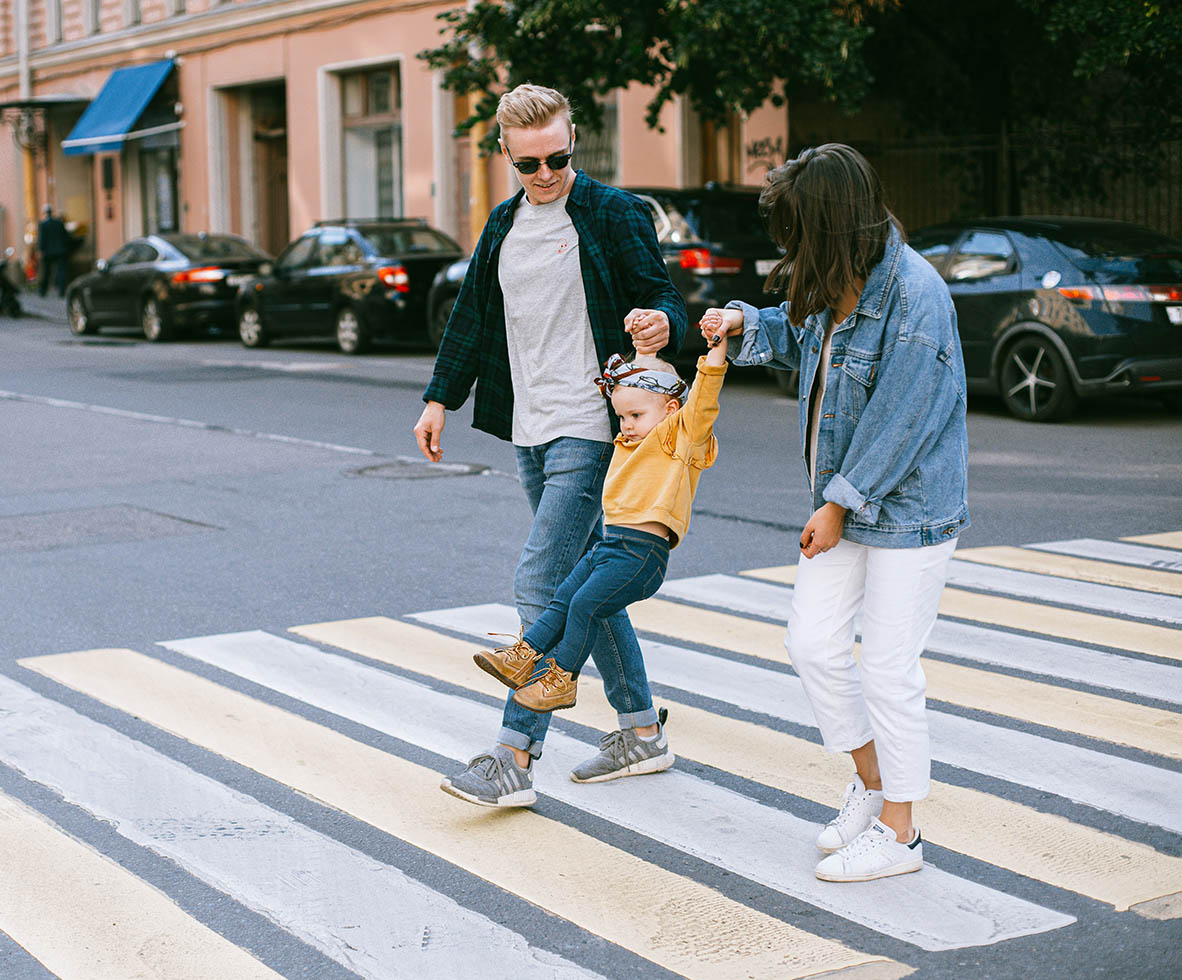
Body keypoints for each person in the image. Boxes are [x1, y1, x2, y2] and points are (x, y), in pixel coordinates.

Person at [700, 143, 969, 883]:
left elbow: (904, 419)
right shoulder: (831, 276)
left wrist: (839, 504)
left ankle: (902, 834)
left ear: (829, 223)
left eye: (797, 231)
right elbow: (795, 338)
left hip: (908, 510)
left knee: (887, 668)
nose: (789, 247)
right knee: (812, 645)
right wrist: (739, 324)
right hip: (843, 503)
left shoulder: (915, 299)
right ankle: (873, 782)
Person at [414, 83, 687, 807]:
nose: (546, 174)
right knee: (589, 589)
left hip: (593, 424)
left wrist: (660, 323)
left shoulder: (611, 212)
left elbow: (663, 296)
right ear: (505, 152)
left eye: (558, 158)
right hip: (530, 426)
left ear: (574, 145)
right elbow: (472, 316)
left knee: (541, 584)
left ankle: (513, 757)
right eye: (529, 162)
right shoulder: (503, 225)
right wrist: (441, 398)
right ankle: (641, 731)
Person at [477, 340, 727, 718]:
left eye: (635, 416)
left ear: (672, 410)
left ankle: (562, 680)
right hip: (611, 548)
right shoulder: (629, 440)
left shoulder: (679, 440)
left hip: (641, 556)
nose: (626, 426)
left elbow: (704, 398)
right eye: (621, 417)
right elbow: (643, 389)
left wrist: (716, 350)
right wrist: (640, 361)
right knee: (564, 597)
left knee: (584, 607)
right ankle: (523, 655)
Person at [36, 204, 71, 298]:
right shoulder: (59, 222)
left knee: (47, 271)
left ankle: (43, 291)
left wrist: (40, 250)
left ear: (44, 213)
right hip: (60, 251)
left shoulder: (43, 224)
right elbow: (66, 236)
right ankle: (62, 291)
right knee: (61, 271)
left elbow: (41, 239)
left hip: (48, 252)